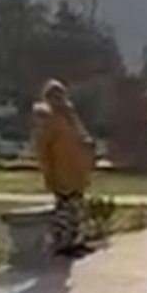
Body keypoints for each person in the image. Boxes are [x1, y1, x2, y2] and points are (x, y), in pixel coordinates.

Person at [32, 80, 95, 258]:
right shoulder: (49, 120)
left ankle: (77, 241)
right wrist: (48, 173)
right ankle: (63, 244)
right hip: (62, 173)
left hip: (77, 172)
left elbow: (81, 138)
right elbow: (42, 149)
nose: (60, 100)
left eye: (62, 95)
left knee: (77, 209)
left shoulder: (70, 118)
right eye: (55, 96)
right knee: (65, 211)